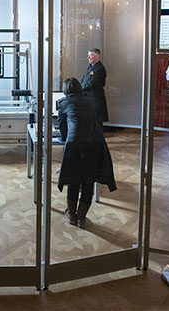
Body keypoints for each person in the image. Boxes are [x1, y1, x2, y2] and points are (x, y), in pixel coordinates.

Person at [56, 77, 116, 229]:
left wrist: (64, 138)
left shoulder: (64, 102)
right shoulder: (89, 101)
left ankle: (71, 214)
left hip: (75, 143)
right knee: (89, 179)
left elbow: (62, 126)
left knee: (74, 178)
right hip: (96, 143)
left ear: (66, 90)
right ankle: (81, 217)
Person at [81, 48, 109, 126]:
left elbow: (93, 82)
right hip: (88, 97)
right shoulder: (90, 67)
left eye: (90, 55)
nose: (88, 57)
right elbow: (84, 79)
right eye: (88, 55)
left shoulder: (99, 68)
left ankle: (98, 137)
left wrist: (81, 88)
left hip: (95, 98)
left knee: (97, 118)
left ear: (97, 56)